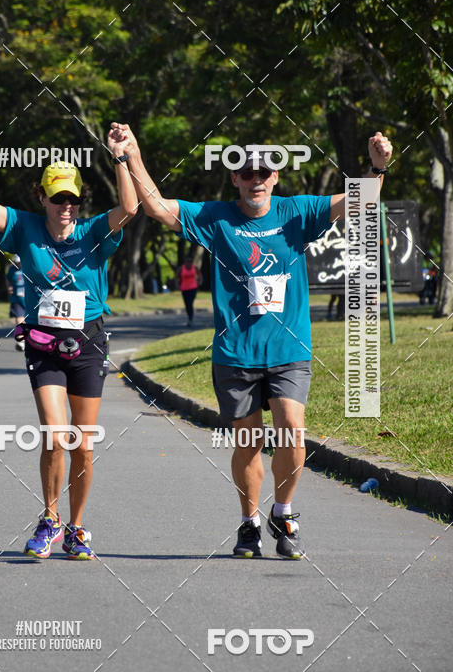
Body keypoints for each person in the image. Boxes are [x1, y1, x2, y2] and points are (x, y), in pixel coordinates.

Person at [120, 123, 392, 559]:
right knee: (248, 444)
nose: (256, 180)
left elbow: (360, 200)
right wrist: (131, 154)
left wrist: (376, 168)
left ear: (275, 177)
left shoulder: (296, 212)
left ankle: (283, 513)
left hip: (287, 350)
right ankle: (249, 524)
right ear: (235, 179)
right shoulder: (215, 218)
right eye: (247, 174)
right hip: (236, 353)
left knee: (292, 431)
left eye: (264, 173)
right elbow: (155, 206)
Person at [0, 118, 138, 560]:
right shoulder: (23, 227)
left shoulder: (93, 233)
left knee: (83, 444)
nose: (65, 206)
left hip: (89, 342)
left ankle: (77, 528)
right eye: (57, 197)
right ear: (41, 197)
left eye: (72, 198)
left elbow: (130, 208)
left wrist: (120, 157)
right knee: (55, 437)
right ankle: (50, 518)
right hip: (44, 344)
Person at [176, 255, 202, 327]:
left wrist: (199, 282)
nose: (189, 262)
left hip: (193, 288)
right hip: (184, 288)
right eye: (188, 261)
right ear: (185, 262)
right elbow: (177, 277)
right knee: (187, 304)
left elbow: (200, 275)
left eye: (190, 261)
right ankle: (189, 316)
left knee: (190, 303)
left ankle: (190, 318)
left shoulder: (194, 268)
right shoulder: (181, 268)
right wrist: (177, 285)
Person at [6, 255, 26, 350]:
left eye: (19, 262)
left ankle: (29, 339)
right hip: (16, 298)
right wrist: (9, 287)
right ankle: (21, 341)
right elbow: (8, 279)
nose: (18, 264)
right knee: (19, 319)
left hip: (29, 298)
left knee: (29, 321)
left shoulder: (29, 266)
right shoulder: (12, 269)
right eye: (17, 262)